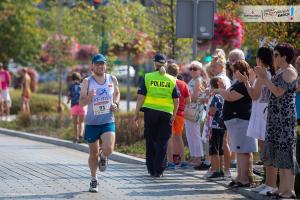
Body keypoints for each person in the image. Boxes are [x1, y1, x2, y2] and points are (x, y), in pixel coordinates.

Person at [256, 43, 299, 198]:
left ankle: (289, 191)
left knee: (286, 153)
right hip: (276, 118)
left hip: (284, 119)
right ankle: (282, 189)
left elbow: (278, 92)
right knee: (278, 154)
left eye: (276, 55)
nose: (273, 58)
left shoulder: (289, 72)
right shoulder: (281, 71)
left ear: (284, 57)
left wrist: (264, 78)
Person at [237, 46, 277, 195]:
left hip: (262, 113)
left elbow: (254, 95)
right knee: (264, 149)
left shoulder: (264, 73)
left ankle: (270, 184)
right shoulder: (267, 72)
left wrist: (246, 82)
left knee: (265, 149)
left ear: (260, 59)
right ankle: (267, 182)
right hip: (262, 112)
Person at [133, 53, 179, 178]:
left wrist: (136, 113)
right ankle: (159, 170)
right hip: (166, 114)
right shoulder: (172, 79)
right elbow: (176, 100)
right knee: (162, 142)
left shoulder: (148, 77)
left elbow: (141, 96)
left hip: (150, 113)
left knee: (151, 140)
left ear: (155, 63)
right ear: (165, 64)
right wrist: (174, 115)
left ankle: (151, 169)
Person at [79, 54, 120, 193]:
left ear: (105, 65)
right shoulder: (87, 81)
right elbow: (81, 102)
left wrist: (116, 103)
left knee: (108, 149)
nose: (100, 66)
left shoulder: (111, 78)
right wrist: (89, 97)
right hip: (92, 122)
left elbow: (118, 93)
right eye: (97, 64)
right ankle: (93, 179)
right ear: (92, 66)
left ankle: (104, 157)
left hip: (108, 120)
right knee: (93, 153)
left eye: (102, 64)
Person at [215, 60, 257, 187]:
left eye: (235, 70)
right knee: (239, 151)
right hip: (236, 122)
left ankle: (244, 178)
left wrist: (219, 91)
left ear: (240, 71)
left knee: (244, 151)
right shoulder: (238, 83)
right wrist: (222, 90)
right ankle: (240, 176)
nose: (233, 73)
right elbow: (228, 94)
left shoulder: (244, 84)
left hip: (241, 121)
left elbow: (230, 96)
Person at [166, 63, 191, 169]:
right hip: (180, 113)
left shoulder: (167, 82)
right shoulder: (183, 84)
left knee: (169, 137)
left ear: (167, 72)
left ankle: (170, 162)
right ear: (178, 72)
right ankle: (183, 161)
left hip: (169, 112)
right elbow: (188, 100)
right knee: (179, 137)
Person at [185, 61, 207, 167]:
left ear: (200, 71)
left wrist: (184, 99)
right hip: (190, 109)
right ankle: (194, 156)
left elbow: (194, 97)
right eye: (191, 68)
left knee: (195, 134)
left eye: (195, 68)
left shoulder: (198, 80)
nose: (192, 70)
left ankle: (198, 158)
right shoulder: (192, 80)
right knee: (190, 134)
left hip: (195, 110)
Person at [206, 77, 225, 179]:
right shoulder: (223, 95)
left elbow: (212, 111)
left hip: (215, 124)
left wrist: (208, 111)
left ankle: (216, 170)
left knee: (214, 148)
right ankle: (221, 170)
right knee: (220, 148)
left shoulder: (215, 97)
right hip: (222, 124)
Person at [68, 72, 85, 143]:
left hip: (74, 106)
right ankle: (81, 135)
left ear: (72, 78)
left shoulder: (71, 86)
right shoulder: (82, 85)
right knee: (82, 122)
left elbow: (69, 95)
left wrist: (68, 100)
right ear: (79, 78)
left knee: (75, 123)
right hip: (82, 105)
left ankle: (76, 137)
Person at [295, 56, 300, 125]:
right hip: (294, 112)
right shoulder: (295, 75)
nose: (297, 65)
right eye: (297, 62)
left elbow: (296, 90)